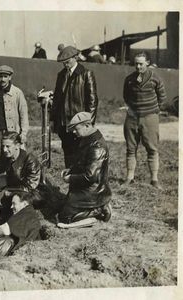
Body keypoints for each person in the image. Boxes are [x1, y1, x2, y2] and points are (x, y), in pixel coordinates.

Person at [57, 112, 112, 228]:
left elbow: (90, 176)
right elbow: (82, 163)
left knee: (65, 218)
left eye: (76, 129)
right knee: (60, 209)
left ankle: (99, 211)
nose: (73, 132)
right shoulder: (88, 139)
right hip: (89, 187)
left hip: (94, 190)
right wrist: (70, 170)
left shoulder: (97, 146)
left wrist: (70, 178)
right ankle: (96, 208)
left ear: (87, 126)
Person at [122, 52, 167, 190]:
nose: (138, 66)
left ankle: (154, 179)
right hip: (132, 118)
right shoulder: (129, 79)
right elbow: (126, 96)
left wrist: (153, 111)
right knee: (131, 149)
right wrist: (132, 110)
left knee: (152, 149)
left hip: (150, 118)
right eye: (136, 63)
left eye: (141, 63)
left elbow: (162, 97)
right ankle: (130, 178)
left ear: (147, 62)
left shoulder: (155, 79)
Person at [51, 45, 99, 167]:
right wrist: (53, 119)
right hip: (64, 123)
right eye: (63, 63)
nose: (65, 65)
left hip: (79, 123)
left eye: (67, 62)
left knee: (80, 153)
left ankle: (80, 179)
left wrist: (89, 123)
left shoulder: (86, 74)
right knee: (68, 151)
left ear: (75, 58)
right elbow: (57, 99)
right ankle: (70, 176)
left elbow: (92, 101)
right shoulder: (61, 75)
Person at [0, 131, 41, 223]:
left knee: (9, 209)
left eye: (8, 146)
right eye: (3, 146)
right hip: (13, 192)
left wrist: (6, 192)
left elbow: (29, 187)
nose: (4, 150)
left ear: (17, 146)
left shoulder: (29, 159)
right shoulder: (6, 158)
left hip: (33, 194)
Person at [0, 66, 29, 157]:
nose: (2, 79)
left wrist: (24, 133)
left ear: (10, 77)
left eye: (5, 76)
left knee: (10, 157)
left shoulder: (17, 93)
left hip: (10, 131)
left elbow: (23, 114)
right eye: (0, 76)